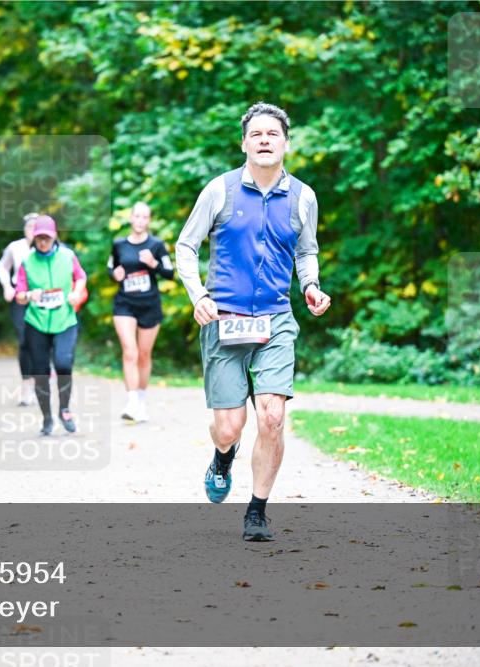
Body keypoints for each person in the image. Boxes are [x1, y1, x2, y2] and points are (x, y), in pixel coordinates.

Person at [175, 102, 331, 542]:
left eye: (273, 134)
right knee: (229, 427)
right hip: (224, 317)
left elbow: (306, 250)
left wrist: (310, 286)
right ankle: (223, 457)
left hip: (276, 319)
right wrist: (198, 296)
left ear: (286, 143)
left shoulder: (303, 197)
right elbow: (186, 247)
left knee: (272, 416)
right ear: (244, 143)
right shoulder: (219, 191)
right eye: (256, 134)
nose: (265, 140)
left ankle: (257, 511)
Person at [14, 215, 87, 435]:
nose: (43, 242)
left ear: (54, 236)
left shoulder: (68, 256)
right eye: (39, 238)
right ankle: (46, 417)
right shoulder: (27, 262)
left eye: (46, 237)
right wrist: (29, 295)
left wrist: (75, 292)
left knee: (64, 364)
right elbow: (18, 295)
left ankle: (64, 409)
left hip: (65, 320)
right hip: (36, 323)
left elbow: (81, 277)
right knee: (41, 372)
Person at [107, 202, 175, 422]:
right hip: (124, 304)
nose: (140, 220)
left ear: (149, 221)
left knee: (144, 356)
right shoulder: (118, 244)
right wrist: (114, 274)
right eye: (137, 216)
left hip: (149, 304)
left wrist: (153, 263)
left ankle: (141, 401)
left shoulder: (156, 245)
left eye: (145, 217)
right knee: (130, 351)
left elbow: (170, 273)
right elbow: (112, 268)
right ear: (131, 218)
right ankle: (132, 401)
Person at [0, 213, 38, 406]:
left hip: (42, 299)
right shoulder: (15, 247)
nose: (33, 231)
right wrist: (7, 286)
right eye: (29, 227)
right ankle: (26, 384)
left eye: (36, 227)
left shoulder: (48, 248)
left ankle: (40, 382)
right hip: (20, 298)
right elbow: (2, 267)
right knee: (24, 339)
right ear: (24, 229)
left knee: (42, 341)